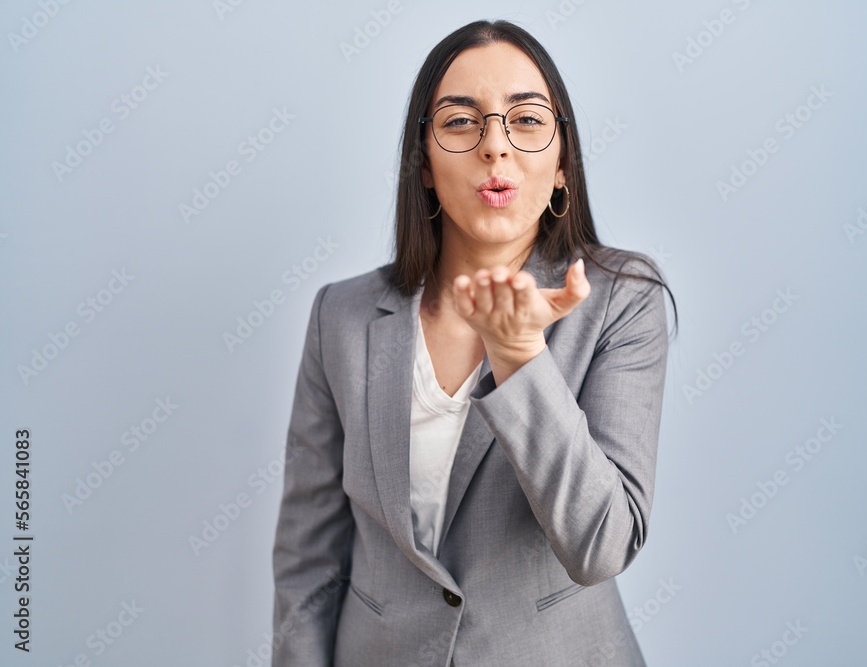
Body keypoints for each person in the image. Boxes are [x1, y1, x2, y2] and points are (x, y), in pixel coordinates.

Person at [271, 18, 678, 666]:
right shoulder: (340, 316)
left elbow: (600, 543)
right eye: (462, 122)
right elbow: (306, 560)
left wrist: (520, 356)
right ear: (424, 167)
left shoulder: (623, 299)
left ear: (563, 163)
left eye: (525, 120)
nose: (496, 147)